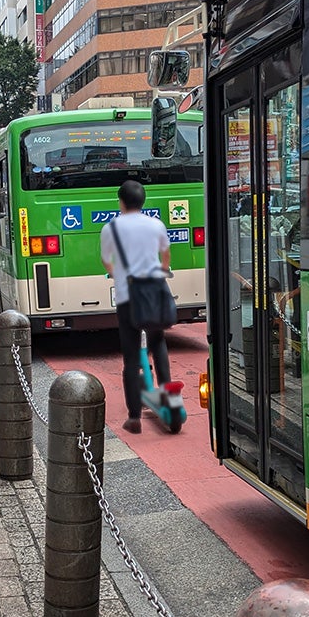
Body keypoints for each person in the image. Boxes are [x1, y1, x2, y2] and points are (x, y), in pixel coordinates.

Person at [100, 180, 174, 434]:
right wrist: (162, 270)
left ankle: (134, 418)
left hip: (127, 297)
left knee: (131, 357)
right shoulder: (156, 224)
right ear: (142, 201)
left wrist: (117, 275)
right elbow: (165, 256)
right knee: (158, 343)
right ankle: (170, 404)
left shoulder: (111, 228)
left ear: (121, 202)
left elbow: (106, 260)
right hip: (154, 292)